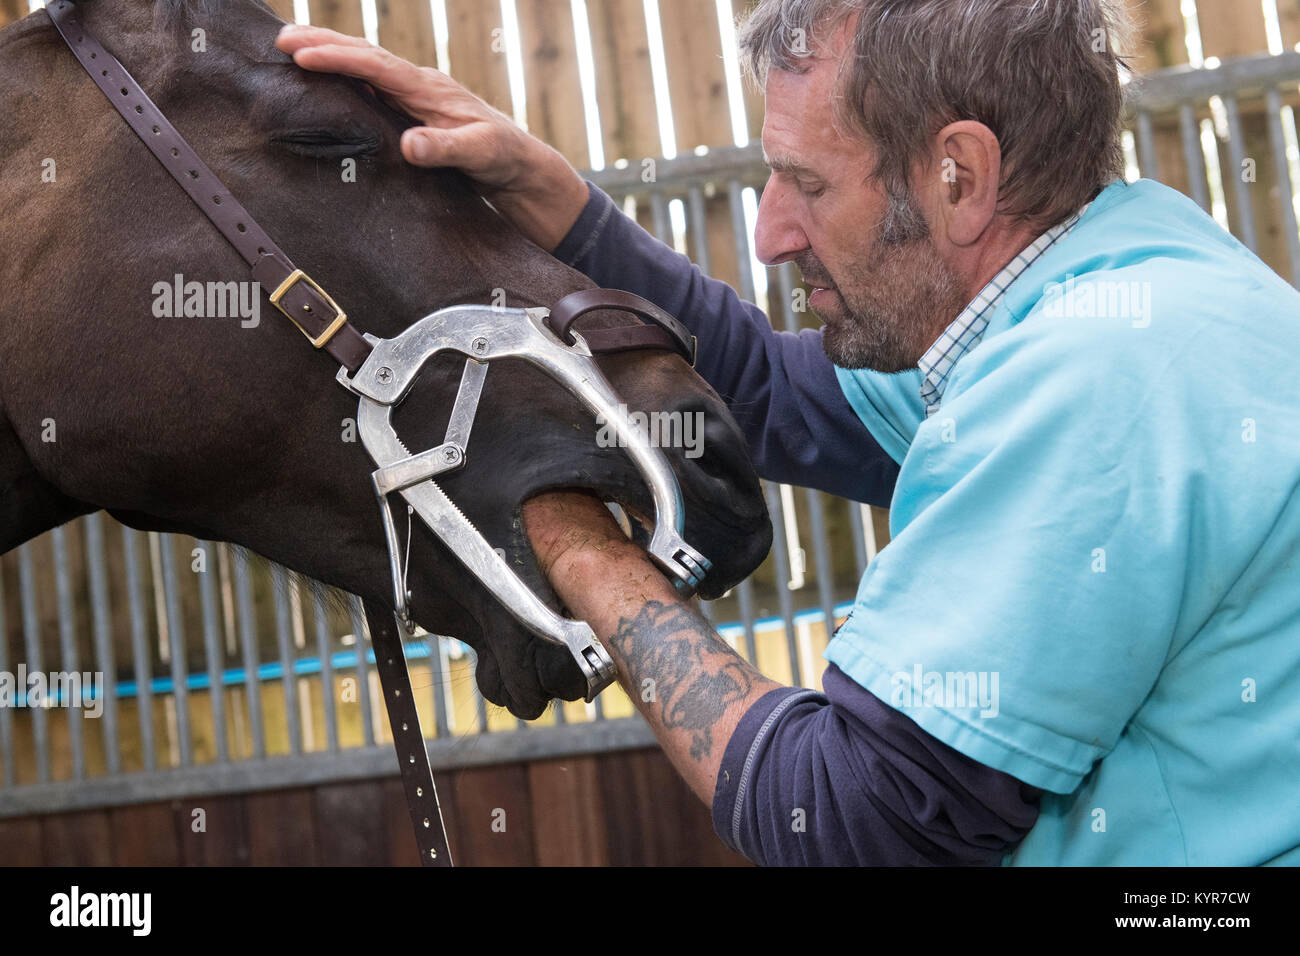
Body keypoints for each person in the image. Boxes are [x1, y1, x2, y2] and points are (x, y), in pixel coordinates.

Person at [277, 0, 1300, 865]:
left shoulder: (1094, 383)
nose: (769, 232)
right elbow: (771, 395)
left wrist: (579, 546)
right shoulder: (1131, 281)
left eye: (806, 183)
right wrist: (555, 199)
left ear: (958, 175)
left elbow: (856, 817)